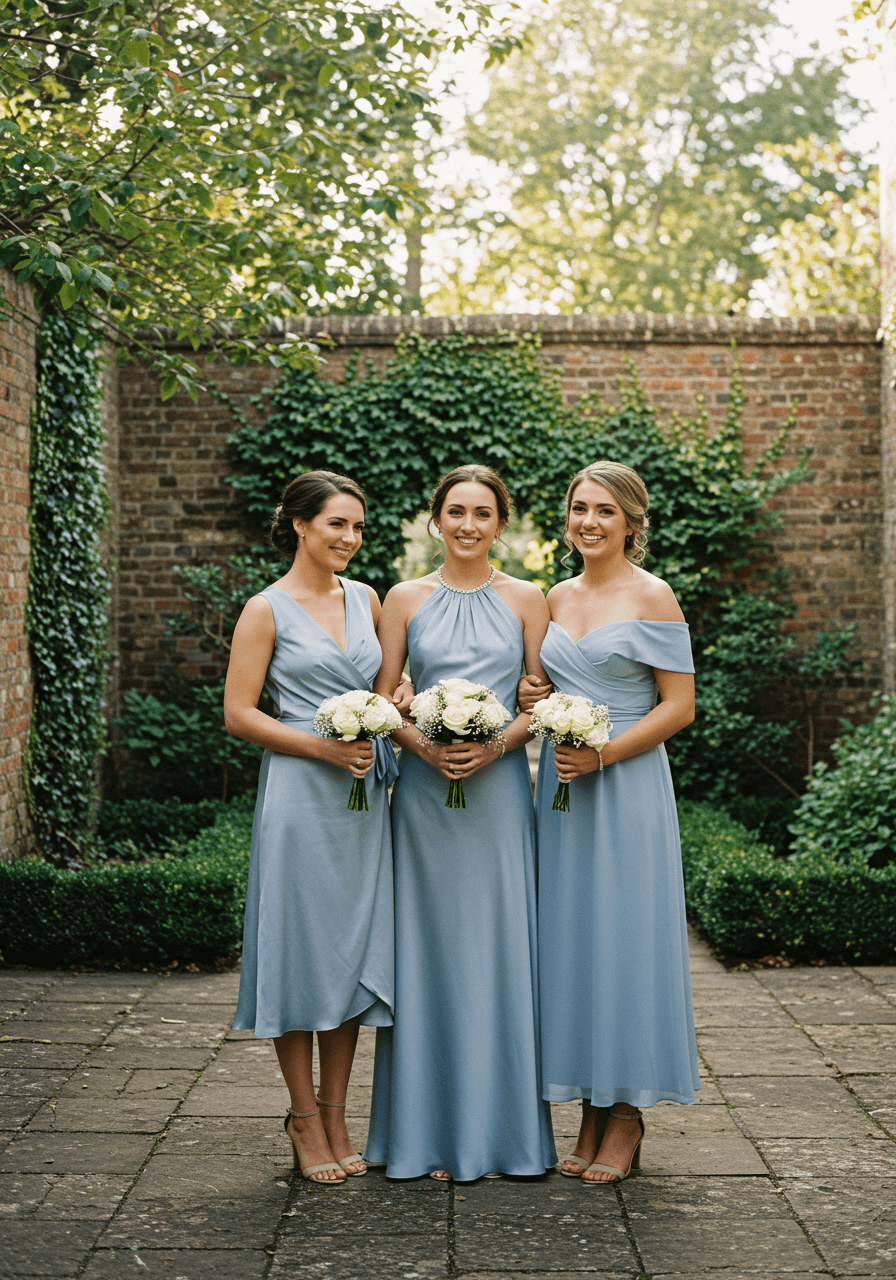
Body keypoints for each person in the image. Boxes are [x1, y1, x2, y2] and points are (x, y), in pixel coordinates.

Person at [364, 464, 557, 1181]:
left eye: (483, 513)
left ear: (500, 523)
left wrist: (498, 743)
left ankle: (503, 1136)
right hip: (422, 798)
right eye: (456, 512)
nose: (468, 525)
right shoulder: (403, 598)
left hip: (501, 794)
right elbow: (384, 698)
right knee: (426, 956)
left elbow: (541, 698)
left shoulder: (530, 598)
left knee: (497, 950)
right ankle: (421, 1135)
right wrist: (424, 747)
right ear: (434, 519)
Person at [518, 460, 700, 1184]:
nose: (588, 521)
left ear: (631, 522)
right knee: (573, 945)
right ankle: (591, 1106)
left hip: (623, 788)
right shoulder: (554, 596)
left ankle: (624, 1115)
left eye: (604, 511)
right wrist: (537, 692)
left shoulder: (653, 596)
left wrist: (604, 758)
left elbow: (678, 705)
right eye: (578, 509)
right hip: (560, 798)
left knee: (625, 942)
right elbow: (542, 686)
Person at [224, 470, 399, 1185]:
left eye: (358, 528)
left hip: (364, 798)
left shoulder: (368, 599)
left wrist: (395, 708)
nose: (351, 540)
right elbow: (240, 713)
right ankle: (301, 1116)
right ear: (299, 524)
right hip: (301, 795)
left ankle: (337, 1112)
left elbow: (388, 685)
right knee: (301, 950)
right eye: (337, 525)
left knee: (352, 950)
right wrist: (321, 745)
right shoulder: (264, 609)